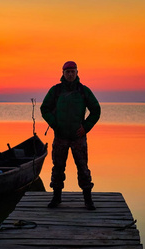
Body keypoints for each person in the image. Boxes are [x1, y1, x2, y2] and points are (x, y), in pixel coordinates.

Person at [40, 61, 101, 210]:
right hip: (60, 136)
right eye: (67, 72)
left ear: (77, 73)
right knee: (58, 167)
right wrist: (54, 124)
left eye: (73, 71)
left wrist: (86, 127)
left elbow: (96, 110)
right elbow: (44, 108)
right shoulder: (56, 90)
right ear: (63, 73)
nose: (70, 74)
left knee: (83, 167)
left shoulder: (83, 90)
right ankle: (56, 198)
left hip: (78, 137)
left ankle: (88, 199)